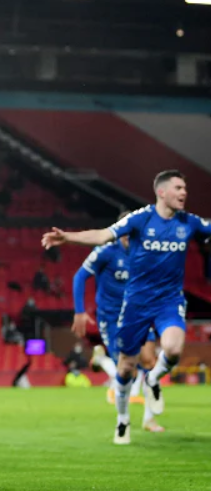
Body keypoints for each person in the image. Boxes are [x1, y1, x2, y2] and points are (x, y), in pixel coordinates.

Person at [43, 169, 211, 445]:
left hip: (169, 301)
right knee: (125, 369)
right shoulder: (140, 219)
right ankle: (123, 420)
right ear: (162, 192)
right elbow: (102, 235)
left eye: (185, 188)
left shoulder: (189, 222)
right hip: (135, 305)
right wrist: (69, 237)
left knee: (172, 349)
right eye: (179, 188)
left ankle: (153, 380)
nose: (184, 192)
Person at [71, 212, 163, 432]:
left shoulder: (146, 253)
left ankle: (149, 419)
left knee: (150, 361)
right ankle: (122, 417)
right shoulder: (106, 252)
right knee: (126, 370)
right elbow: (80, 276)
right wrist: (79, 311)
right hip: (111, 318)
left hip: (138, 314)